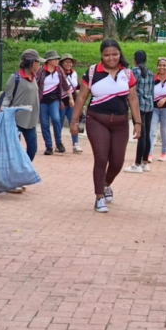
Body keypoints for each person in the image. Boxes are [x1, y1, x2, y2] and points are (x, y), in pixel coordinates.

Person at [70, 39, 142, 213]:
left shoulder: (127, 73)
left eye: (115, 54)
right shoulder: (94, 71)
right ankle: (99, 197)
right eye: (107, 55)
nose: (111, 58)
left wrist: (138, 122)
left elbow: (133, 99)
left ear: (120, 54)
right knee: (101, 158)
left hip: (120, 122)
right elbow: (82, 97)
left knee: (117, 162)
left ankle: (106, 184)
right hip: (97, 120)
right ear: (102, 55)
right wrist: (74, 120)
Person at [0, 49, 42, 194]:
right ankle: (11, 182)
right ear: (30, 63)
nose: (39, 65)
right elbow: (7, 97)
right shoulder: (15, 78)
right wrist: (3, 108)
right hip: (16, 121)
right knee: (14, 153)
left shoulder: (34, 77)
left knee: (33, 148)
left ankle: (19, 175)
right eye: (37, 62)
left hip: (30, 121)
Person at [37, 50, 74, 156]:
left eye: (58, 59)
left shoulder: (59, 70)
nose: (57, 61)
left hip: (54, 100)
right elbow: (35, 83)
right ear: (49, 61)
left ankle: (59, 142)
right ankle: (48, 146)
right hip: (42, 101)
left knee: (56, 119)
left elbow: (65, 85)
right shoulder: (41, 71)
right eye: (55, 59)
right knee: (44, 123)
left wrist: (70, 98)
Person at [125, 51, 155, 174]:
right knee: (146, 134)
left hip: (139, 106)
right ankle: (144, 162)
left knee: (140, 135)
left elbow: (130, 89)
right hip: (150, 106)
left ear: (135, 60)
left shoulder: (134, 72)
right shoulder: (151, 73)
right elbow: (153, 90)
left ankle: (137, 164)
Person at [59, 53, 83, 154]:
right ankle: (58, 143)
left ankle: (75, 144)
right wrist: (60, 100)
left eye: (70, 62)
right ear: (62, 63)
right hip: (62, 101)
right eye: (66, 62)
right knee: (58, 124)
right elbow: (56, 88)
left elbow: (77, 87)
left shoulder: (74, 74)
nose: (68, 64)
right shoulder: (59, 74)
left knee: (74, 122)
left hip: (72, 102)